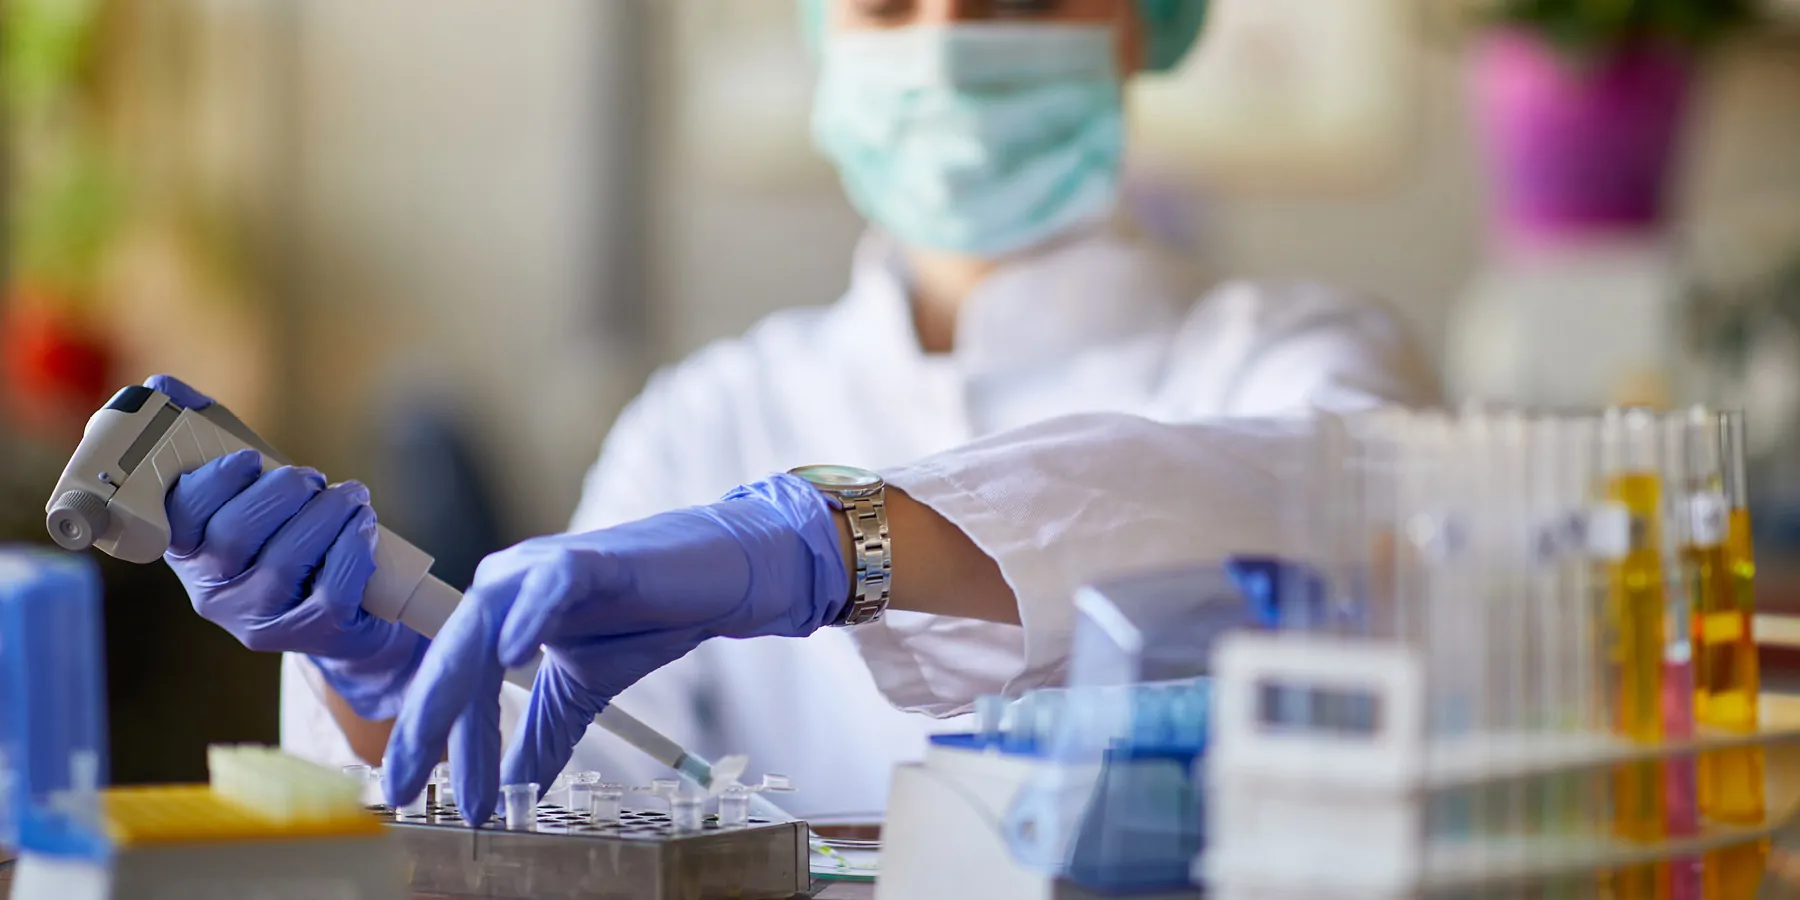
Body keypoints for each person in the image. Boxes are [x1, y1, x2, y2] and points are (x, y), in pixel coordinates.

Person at [151, 0, 1437, 825]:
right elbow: (579, 804)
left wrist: (838, 540)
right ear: (824, 34)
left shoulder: (1301, 349)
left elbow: (1343, 509)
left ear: (1143, 23)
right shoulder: (707, 415)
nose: (947, 35)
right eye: (891, 1)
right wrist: (389, 672)